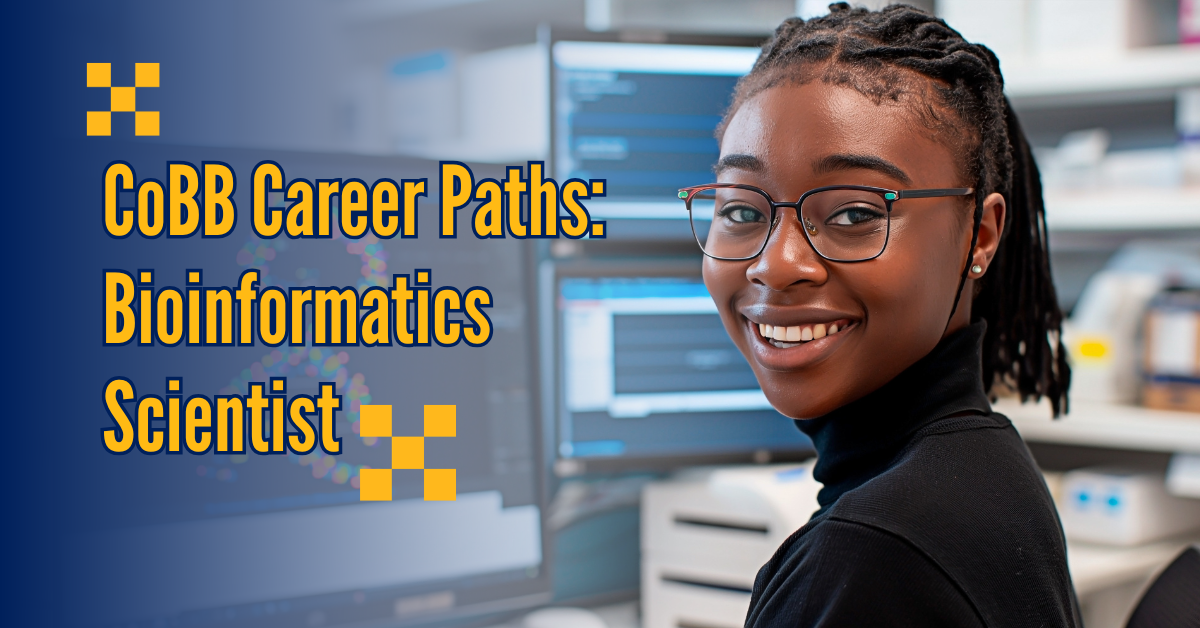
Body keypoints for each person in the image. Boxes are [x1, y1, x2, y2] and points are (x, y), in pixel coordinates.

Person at [679, 3, 1078, 626]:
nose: (777, 265)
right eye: (741, 211)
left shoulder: (871, 556)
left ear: (980, 234)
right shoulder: (981, 467)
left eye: (855, 214)